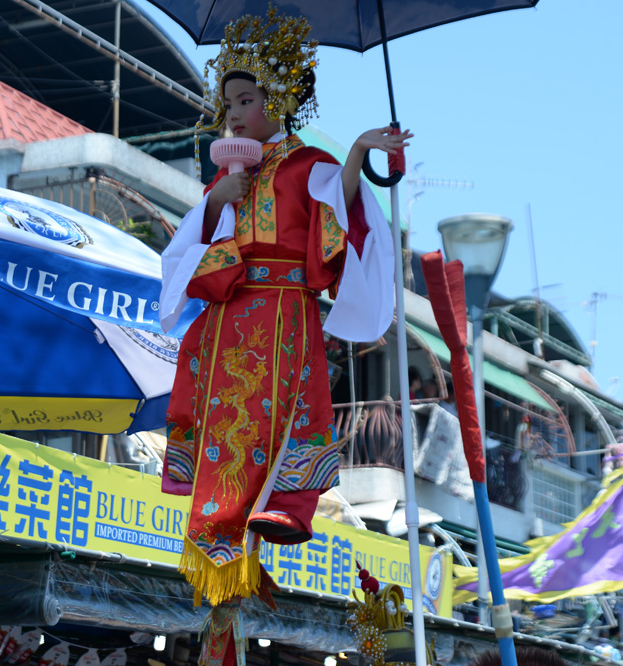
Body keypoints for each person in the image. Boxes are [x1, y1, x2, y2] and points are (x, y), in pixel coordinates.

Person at [159, 6, 409, 614]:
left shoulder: (309, 165)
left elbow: (335, 216)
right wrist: (217, 199)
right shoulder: (226, 177)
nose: (234, 112)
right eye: (230, 103)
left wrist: (354, 156)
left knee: (290, 407)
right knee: (226, 421)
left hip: (282, 313)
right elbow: (189, 256)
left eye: (245, 99)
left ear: (279, 101)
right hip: (230, 318)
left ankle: (280, 506)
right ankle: (224, 534)